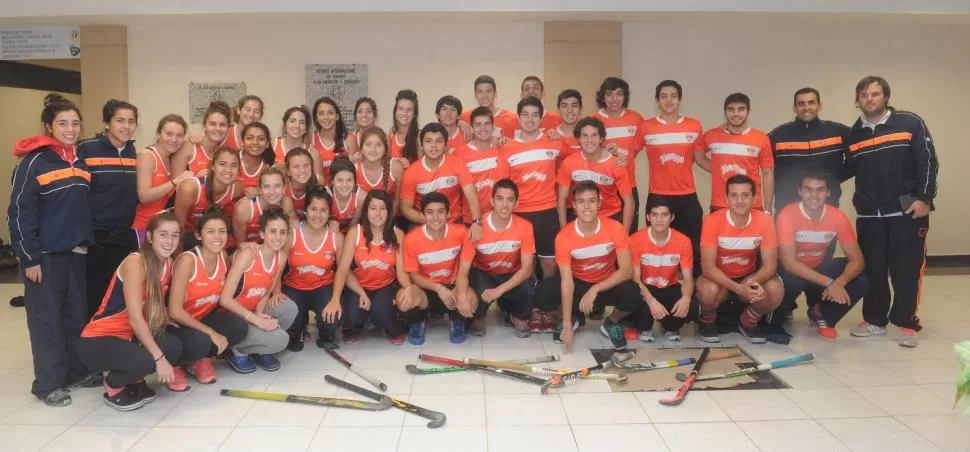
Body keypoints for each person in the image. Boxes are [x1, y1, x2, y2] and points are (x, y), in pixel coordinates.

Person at [8, 93, 96, 407]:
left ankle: (75, 371)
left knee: (74, 317)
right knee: (47, 321)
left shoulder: (79, 160)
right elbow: (19, 212)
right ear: (49, 126)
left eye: (75, 123)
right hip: (43, 257)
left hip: (75, 254)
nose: (71, 128)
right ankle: (48, 384)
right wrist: (28, 257)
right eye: (63, 123)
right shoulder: (34, 161)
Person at [847, 76, 938, 348]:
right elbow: (849, 169)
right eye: (864, 95)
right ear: (858, 100)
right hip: (869, 215)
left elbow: (928, 162)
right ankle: (874, 320)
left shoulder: (910, 123)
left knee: (906, 270)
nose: (869, 99)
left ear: (885, 96)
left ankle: (906, 322)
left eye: (875, 94)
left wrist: (924, 198)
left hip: (907, 211)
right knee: (873, 270)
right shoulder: (855, 133)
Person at [78, 212, 188, 410]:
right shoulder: (136, 262)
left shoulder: (168, 263)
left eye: (175, 235)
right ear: (149, 237)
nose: (169, 241)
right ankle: (113, 385)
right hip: (99, 339)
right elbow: (135, 319)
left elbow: (149, 302)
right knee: (149, 359)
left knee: (173, 345)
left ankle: (134, 379)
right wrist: (160, 359)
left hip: (129, 337)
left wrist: (163, 315)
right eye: (163, 234)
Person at [534, 181, 642, 352]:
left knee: (634, 293)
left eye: (592, 201)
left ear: (599, 203)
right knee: (542, 293)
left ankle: (611, 323)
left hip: (605, 283)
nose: (587, 206)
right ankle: (573, 319)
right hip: (578, 284)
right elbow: (567, 281)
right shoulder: (564, 236)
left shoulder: (615, 228)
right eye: (581, 201)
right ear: (574, 206)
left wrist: (596, 289)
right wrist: (567, 323)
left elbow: (627, 271)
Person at [772, 172, 870, 339]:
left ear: (828, 192)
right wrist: (830, 283)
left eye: (820, 190)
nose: (814, 195)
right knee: (789, 283)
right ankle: (775, 320)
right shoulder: (787, 214)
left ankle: (822, 314)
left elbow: (857, 260)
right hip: (791, 272)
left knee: (862, 281)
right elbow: (789, 263)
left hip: (818, 269)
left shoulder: (837, 217)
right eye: (808, 189)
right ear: (800, 191)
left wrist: (840, 282)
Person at [695, 175, 784, 344]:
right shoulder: (712, 221)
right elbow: (707, 267)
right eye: (734, 195)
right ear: (726, 198)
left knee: (775, 290)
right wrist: (738, 288)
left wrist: (750, 283)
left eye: (745, 195)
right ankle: (707, 321)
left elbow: (770, 265)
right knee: (707, 292)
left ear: (754, 197)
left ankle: (748, 321)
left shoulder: (765, 221)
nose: (739, 201)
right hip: (718, 279)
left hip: (748, 277)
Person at [167, 208, 249, 385]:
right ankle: (174, 364)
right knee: (202, 341)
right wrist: (212, 332)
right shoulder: (187, 260)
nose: (217, 237)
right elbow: (174, 311)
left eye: (222, 231)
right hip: (175, 323)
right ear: (198, 235)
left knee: (239, 326)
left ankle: (198, 360)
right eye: (210, 232)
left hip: (201, 318)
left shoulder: (223, 255)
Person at [329, 190, 417, 344]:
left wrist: (408, 287)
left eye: (382, 208)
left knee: (381, 310)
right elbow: (343, 270)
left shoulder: (398, 234)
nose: (378, 213)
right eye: (373, 208)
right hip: (359, 285)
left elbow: (401, 272)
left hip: (386, 285)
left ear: (389, 211)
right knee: (353, 314)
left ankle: (386, 323)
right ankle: (358, 324)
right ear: (366, 211)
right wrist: (336, 298)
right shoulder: (354, 233)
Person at [78, 100, 140, 318]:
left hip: (124, 237)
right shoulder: (86, 149)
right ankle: (90, 344)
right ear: (107, 123)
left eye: (131, 121)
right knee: (93, 297)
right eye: (120, 120)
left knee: (120, 296)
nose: (126, 126)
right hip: (95, 238)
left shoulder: (134, 153)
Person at [637, 80, 705, 275]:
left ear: (680, 99)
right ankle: (658, 294)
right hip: (659, 197)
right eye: (664, 96)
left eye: (673, 96)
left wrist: (728, 172)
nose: (669, 100)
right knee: (657, 249)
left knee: (692, 249)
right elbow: (628, 153)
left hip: (687, 196)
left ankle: (693, 299)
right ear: (657, 100)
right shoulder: (647, 127)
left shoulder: (693, 126)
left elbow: (701, 160)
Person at [219, 207, 298, 373]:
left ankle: (260, 348)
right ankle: (235, 349)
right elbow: (224, 299)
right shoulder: (248, 255)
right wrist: (256, 320)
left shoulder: (281, 257)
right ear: (262, 234)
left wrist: (260, 313)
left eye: (283, 232)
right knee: (281, 340)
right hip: (233, 317)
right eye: (273, 231)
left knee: (289, 308)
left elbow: (266, 291)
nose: (278, 237)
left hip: (252, 311)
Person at [455, 179, 536, 337]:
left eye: (510, 200)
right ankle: (479, 316)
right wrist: (462, 296)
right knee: (473, 289)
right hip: (485, 275)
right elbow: (463, 272)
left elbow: (526, 269)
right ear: (492, 200)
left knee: (528, 284)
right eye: (500, 199)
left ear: (516, 203)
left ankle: (518, 315)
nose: (504, 205)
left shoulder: (525, 226)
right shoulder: (477, 229)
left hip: (512, 274)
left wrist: (499, 291)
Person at [501, 96, 563, 280]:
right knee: (522, 264)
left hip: (547, 212)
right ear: (518, 118)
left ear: (541, 118)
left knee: (549, 263)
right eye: (525, 115)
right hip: (519, 213)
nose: (530, 119)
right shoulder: (508, 148)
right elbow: (504, 186)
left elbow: (581, 155)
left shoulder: (554, 142)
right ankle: (525, 303)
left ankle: (545, 303)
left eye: (535, 115)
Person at [400, 192, 474, 345]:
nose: (435, 217)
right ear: (422, 215)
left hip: (452, 287)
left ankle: (457, 320)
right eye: (430, 212)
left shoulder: (461, 232)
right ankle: (418, 321)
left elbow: (463, 272)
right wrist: (438, 288)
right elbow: (414, 276)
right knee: (403, 300)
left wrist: (460, 294)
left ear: (448, 214)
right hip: (426, 290)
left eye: (440, 212)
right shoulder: (411, 239)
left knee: (471, 300)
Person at [279, 187, 344, 351]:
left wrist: (336, 299)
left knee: (332, 320)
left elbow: (342, 271)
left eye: (323, 210)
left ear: (329, 214)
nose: (318, 215)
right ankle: (299, 328)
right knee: (291, 327)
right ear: (305, 210)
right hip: (294, 287)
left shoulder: (336, 237)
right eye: (313, 209)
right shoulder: (292, 234)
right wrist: (276, 292)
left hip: (322, 287)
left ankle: (325, 334)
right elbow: (277, 267)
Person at [769, 88, 851, 212]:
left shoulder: (837, 132)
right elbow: (756, 153)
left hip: (827, 209)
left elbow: (857, 158)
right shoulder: (778, 135)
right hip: (787, 210)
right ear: (794, 108)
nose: (806, 107)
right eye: (801, 104)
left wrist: (833, 177)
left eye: (811, 103)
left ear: (819, 106)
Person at [629, 196, 697, 342]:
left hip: (669, 287)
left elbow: (688, 279)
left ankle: (670, 326)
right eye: (654, 215)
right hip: (646, 289)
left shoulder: (683, 241)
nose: (659, 219)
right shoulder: (635, 240)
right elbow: (635, 279)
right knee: (634, 294)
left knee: (692, 304)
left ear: (672, 217)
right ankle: (643, 326)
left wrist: (686, 298)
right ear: (648, 217)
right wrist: (651, 301)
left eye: (664, 215)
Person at [695, 93, 775, 214]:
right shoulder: (712, 135)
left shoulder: (761, 138)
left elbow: (767, 174)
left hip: (752, 205)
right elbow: (699, 158)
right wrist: (719, 169)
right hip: (720, 205)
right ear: (725, 112)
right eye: (731, 109)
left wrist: (768, 210)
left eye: (741, 109)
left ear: (748, 111)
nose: (736, 114)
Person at [399, 123, 483, 238]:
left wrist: (477, 221)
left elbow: (471, 193)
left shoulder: (457, 163)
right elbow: (406, 208)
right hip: (422, 221)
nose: (433, 146)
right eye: (428, 141)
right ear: (422, 145)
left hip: (453, 220)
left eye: (438, 141)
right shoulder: (411, 172)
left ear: (445, 145)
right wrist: (433, 221)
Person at [557, 116, 634, 231]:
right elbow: (561, 199)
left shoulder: (616, 164)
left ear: (601, 138)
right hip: (581, 217)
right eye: (585, 136)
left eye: (594, 135)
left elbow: (629, 202)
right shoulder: (569, 163)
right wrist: (563, 229)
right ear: (578, 138)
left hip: (610, 216)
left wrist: (624, 234)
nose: (589, 140)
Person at [591, 77, 645, 233]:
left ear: (625, 96)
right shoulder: (594, 120)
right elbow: (589, 153)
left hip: (628, 185)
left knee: (628, 234)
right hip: (602, 187)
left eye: (619, 94)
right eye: (609, 94)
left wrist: (619, 152)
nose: (614, 99)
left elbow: (634, 152)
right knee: (603, 234)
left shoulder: (636, 119)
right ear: (603, 97)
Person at [133, 115, 195, 246]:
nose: (174, 139)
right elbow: (144, 196)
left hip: (165, 226)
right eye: (168, 134)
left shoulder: (172, 158)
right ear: (158, 134)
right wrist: (174, 182)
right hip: (146, 227)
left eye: (179, 135)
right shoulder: (147, 156)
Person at [174, 147, 243, 250]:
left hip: (212, 234)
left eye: (233, 165)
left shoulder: (237, 190)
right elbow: (178, 228)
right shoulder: (190, 188)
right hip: (188, 235)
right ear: (212, 166)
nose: (228, 170)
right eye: (222, 164)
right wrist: (177, 259)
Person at [451, 106, 510, 225]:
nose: (483, 128)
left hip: (500, 219)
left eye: (487, 124)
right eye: (478, 125)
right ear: (471, 129)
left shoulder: (504, 148)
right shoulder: (459, 154)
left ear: (493, 127)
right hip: (472, 221)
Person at [231, 167, 296, 246]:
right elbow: (239, 243)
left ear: (284, 188)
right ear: (260, 190)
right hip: (250, 247)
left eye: (277, 186)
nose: (272, 192)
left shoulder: (286, 203)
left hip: (273, 245)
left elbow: (293, 233)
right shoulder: (244, 209)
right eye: (266, 186)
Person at [172, 101, 231, 177]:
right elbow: (175, 183)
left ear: (228, 128)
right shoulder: (189, 147)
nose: (217, 128)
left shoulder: (220, 152)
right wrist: (195, 177)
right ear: (204, 126)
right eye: (212, 124)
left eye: (222, 125)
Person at [355, 127, 405, 215]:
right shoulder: (354, 168)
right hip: (362, 216)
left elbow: (397, 203)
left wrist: (387, 225)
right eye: (368, 144)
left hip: (389, 216)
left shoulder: (395, 167)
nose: (373, 149)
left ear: (385, 149)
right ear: (361, 147)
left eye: (378, 145)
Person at [275, 105, 325, 178]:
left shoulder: (313, 153)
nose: (297, 126)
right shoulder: (273, 145)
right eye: (292, 121)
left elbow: (320, 181)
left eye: (302, 122)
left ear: (306, 129)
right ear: (285, 125)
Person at [311, 97, 351, 178]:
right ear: (316, 118)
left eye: (330, 113)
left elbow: (354, 171)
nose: (326, 117)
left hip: (343, 188)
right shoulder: (311, 139)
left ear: (337, 116)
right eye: (321, 113)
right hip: (320, 189)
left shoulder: (348, 138)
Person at [328, 158, 365, 234]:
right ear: (332, 181)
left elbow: (354, 223)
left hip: (349, 233)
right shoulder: (325, 194)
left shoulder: (361, 197)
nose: (344, 185)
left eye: (349, 180)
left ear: (355, 181)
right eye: (340, 180)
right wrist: (328, 224)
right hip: (328, 232)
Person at [237, 122, 276, 191]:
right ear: (242, 142)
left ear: (267, 144)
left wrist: (258, 193)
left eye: (261, 139)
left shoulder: (270, 167)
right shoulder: (232, 159)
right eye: (250, 138)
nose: (255, 142)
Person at [283, 147, 320, 219]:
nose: (302, 170)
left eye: (306, 165)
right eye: (296, 166)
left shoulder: (318, 190)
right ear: (288, 171)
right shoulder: (281, 191)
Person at [389, 89, 421, 163]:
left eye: (409, 110)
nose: (404, 113)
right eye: (401, 109)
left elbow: (420, 168)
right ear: (395, 111)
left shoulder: (419, 137)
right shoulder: (390, 135)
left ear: (414, 114)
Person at [553, 89, 584, 162]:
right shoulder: (551, 136)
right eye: (564, 106)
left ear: (581, 110)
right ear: (558, 110)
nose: (570, 110)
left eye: (574, 106)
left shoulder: (589, 136)